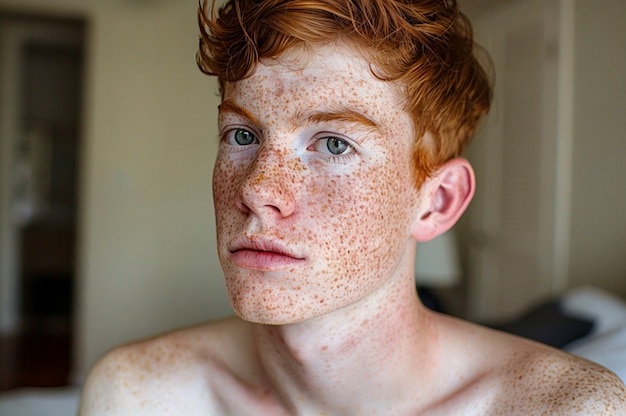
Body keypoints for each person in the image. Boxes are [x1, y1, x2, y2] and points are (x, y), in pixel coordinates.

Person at [79, 0, 626, 414]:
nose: (258, 188)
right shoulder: (137, 393)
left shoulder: (568, 408)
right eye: (242, 134)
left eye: (334, 143)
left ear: (436, 203)